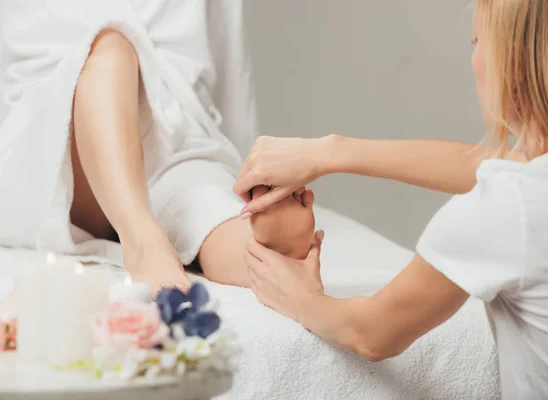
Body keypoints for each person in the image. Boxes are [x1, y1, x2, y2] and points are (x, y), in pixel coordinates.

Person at [234, 0, 548, 397]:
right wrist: (327, 152)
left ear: (513, 64)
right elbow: (502, 168)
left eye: (477, 41)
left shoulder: (504, 207)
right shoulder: (522, 190)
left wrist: (303, 300)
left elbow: (371, 334)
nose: (475, 59)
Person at [0, 1, 315, 291]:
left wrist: (246, 187)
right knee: (112, 47)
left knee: (206, 205)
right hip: (54, 149)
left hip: (174, 137)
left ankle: (265, 251)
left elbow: (227, 64)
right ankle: (141, 238)